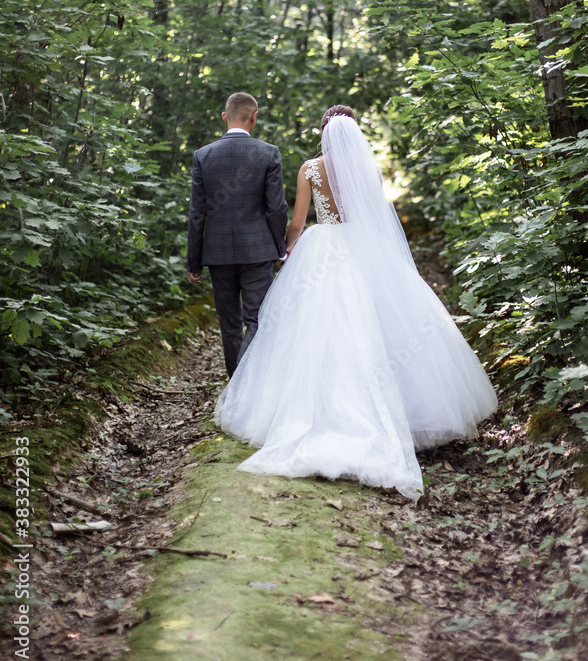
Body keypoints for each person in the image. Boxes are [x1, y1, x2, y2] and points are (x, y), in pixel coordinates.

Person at [214, 105, 498, 498]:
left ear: (324, 131)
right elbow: (375, 216)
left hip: (323, 246)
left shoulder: (310, 169)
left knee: (314, 327)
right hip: (365, 249)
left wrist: (287, 248)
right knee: (379, 324)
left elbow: (297, 221)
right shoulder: (369, 170)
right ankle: (401, 415)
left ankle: (308, 413)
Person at [187, 92, 288, 377]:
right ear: (254, 117)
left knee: (229, 324)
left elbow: (197, 214)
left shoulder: (203, 156)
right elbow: (276, 209)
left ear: (224, 117)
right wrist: (279, 248)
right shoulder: (268, 153)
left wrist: (193, 262)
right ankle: (250, 387)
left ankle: (236, 385)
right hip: (258, 252)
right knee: (257, 319)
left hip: (218, 255)